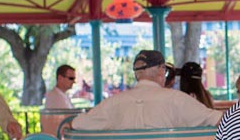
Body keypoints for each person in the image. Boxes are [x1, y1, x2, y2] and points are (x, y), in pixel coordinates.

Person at [72, 50, 221, 130]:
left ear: (137, 74)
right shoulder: (177, 99)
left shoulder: (113, 103)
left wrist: (68, 125)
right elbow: (215, 119)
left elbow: (78, 124)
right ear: (161, 71)